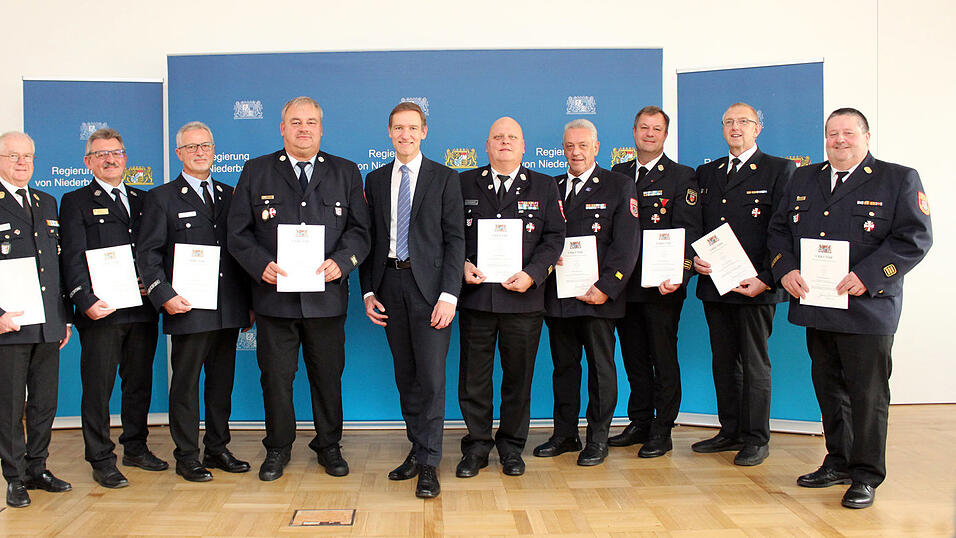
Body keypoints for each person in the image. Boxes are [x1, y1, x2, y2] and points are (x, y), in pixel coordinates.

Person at [767, 107, 932, 508]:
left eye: (848, 133)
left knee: (868, 394)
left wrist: (871, 275)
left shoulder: (898, 178)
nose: (839, 140)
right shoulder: (805, 177)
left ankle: (866, 475)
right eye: (831, 134)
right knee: (829, 389)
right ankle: (838, 459)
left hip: (868, 309)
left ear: (867, 136)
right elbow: (778, 230)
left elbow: (915, 238)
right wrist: (785, 269)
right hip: (818, 306)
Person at [227, 96, 370, 481]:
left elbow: (361, 232)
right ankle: (277, 448)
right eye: (295, 122)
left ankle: (329, 446)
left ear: (321, 129)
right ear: (282, 128)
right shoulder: (256, 171)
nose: (303, 128)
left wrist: (341, 263)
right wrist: (261, 266)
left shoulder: (345, 171)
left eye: (310, 122)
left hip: (326, 301)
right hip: (275, 302)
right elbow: (237, 234)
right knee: (276, 379)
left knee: (327, 377)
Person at [136, 122, 253, 482]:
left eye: (205, 145)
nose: (200, 152)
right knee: (185, 385)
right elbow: (147, 254)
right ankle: (187, 454)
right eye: (191, 147)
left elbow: (242, 254)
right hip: (186, 307)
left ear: (214, 150)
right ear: (179, 154)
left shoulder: (231, 195)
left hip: (227, 308)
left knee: (221, 384)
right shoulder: (161, 198)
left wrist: (248, 303)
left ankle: (217, 448)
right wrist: (163, 295)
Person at [360, 102, 464, 498]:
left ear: (424, 132)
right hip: (389, 286)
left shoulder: (444, 178)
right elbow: (368, 240)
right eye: (398, 128)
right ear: (389, 132)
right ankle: (418, 449)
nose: (405, 135)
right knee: (406, 377)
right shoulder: (374, 179)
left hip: (431, 293)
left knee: (432, 380)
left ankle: (430, 464)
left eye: (412, 128)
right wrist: (368, 290)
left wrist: (449, 295)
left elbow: (456, 241)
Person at [455, 117, 564, 478]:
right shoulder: (463, 182)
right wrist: (462, 264)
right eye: (498, 137)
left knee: (518, 378)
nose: (504, 142)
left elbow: (554, 239)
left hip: (524, 301)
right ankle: (477, 446)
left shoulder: (545, 185)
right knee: (474, 378)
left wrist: (533, 275)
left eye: (512, 137)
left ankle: (512, 447)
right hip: (477, 300)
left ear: (523, 146)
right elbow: (449, 235)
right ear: (486, 145)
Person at [60, 128, 165, 488]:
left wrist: (154, 287)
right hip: (101, 312)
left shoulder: (143, 199)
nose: (110, 159)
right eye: (101, 154)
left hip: (141, 309)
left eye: (116, 153)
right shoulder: (74, 201)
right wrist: (84, 300)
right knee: (98, 386)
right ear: (88, 161)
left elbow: (154, 251)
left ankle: (135, 447)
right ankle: (101, 457)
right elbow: (72, 257)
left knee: (138, 383)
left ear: (125, 158)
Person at [691, 103, 794, 466]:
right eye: (729, 122)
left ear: (757, 128)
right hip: (715, 285)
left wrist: (767, 279)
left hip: (755, 286)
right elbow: (697, 227)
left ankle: (756, 438)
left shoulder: (780, 169)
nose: (736, 127)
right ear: (722, 129)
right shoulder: (707, 172)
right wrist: (694, 260)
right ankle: (730, 430)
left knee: (754, 363)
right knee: (723, 361)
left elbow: (783, 231)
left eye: (743, 122)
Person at [534, 119, 640, 466]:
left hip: (598, 296)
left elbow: (626, 244)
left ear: (596, 147)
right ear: (562, 149)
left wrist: (607, 287)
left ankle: (597, 438)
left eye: (582, 146)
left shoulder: (619, 185)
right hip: (559, 296)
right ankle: (565, 434)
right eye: (569, 146)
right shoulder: (550, 186)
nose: (575, 152)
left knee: (600, 368)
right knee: (564, 367)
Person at [610, 106, 701, 457]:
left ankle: (662, 429)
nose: (649, 134)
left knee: (662, 357)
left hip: (663, 286)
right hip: (624, 286)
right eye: (644, 127)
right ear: (634, 131)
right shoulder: (617, 174)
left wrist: (681, 272)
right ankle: (640, 421)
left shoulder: (681, 176)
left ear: (665, 135)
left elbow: (689, 230)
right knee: (633, 356)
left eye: (657, 129)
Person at [0, 132, 72, 508]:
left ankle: (37, 467)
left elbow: (55, 266)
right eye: (13, 156)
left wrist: (64, 318)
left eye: (28, 156)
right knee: (11, 405)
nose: (22, 163)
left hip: (47, 322)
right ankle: (13, 477)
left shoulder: (46, 202)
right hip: (9, 325)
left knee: (44, 402)